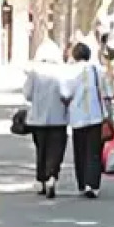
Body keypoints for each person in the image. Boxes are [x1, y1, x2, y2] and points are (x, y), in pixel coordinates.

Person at [23, 40, 71, 199]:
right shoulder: (62, 71)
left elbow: (27, 94)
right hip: (58, 118)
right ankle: (52, 176)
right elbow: (66, 93)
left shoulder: (34, 71)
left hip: (37, 119)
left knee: (40, 149)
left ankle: (41, 179)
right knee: (56, 150)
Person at [65, 41, 113, 198]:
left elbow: (65, 93)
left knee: (80, 150)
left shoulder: (71, 72)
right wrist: (109, 115)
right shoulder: (97, 69)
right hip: (96, 115)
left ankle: (82, 183)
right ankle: (92, 184)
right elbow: (106, 93)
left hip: (77, 116)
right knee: (94, 151)